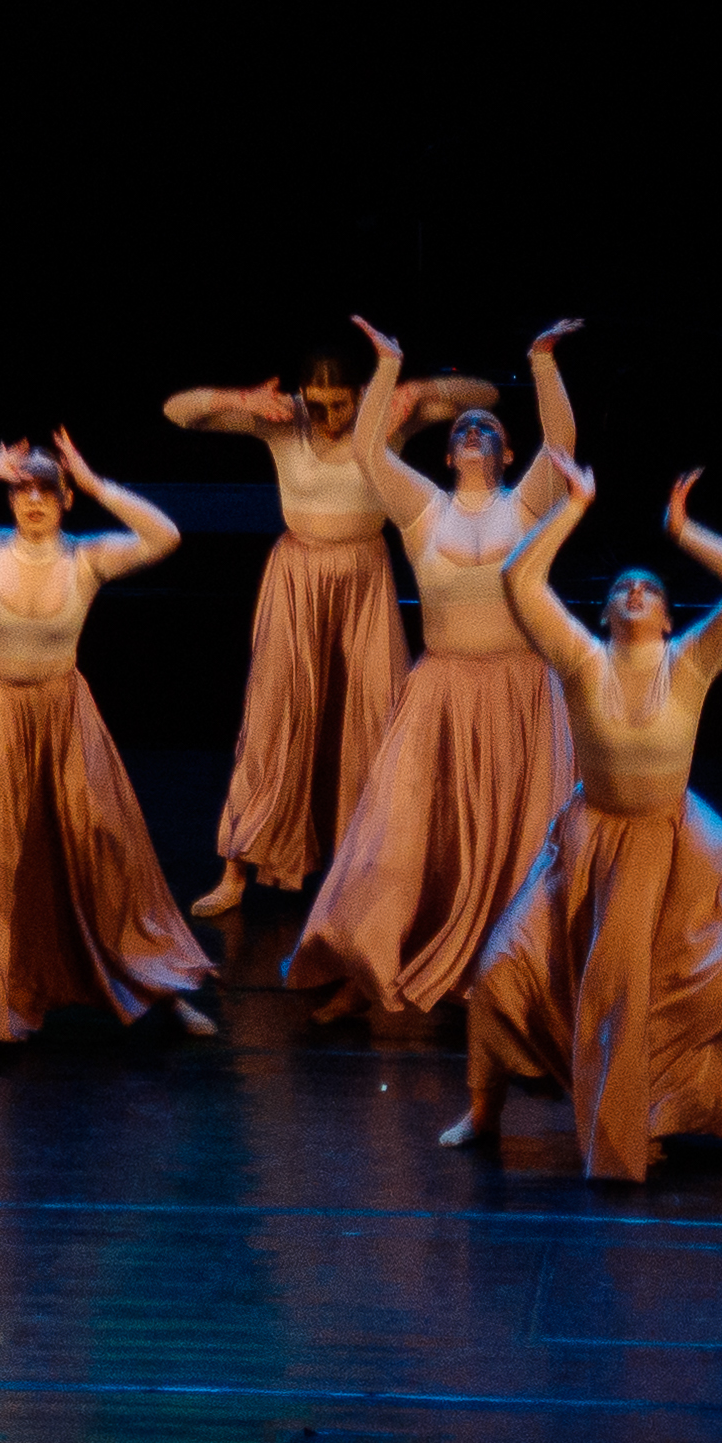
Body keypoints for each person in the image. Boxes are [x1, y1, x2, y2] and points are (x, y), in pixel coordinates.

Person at [445, 452, 722, 1179]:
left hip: (678, 851)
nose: (636, 592)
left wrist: (685, 531)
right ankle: (484, 1110)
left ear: (668, 619)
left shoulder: (690, 663)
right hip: (593, 848)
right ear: (605, 613)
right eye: (622, 589)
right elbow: (518, 579)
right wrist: (571, 507)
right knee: (504, 968)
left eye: (650, 589)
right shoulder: (582, 659)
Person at [286, 318, 586, 1019]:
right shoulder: (422, 511)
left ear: (507, 452)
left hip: (519, 692)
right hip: (441, 691)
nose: (473, 431)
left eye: (487, 429)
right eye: (462, 430)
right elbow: (368, 450)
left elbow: (563, 443)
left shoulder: (529, 506)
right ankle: (367, 967)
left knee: (520, 842)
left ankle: (511, 975)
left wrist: (541, 360)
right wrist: (387, 366)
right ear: (448, 456)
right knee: (400, 834)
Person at [0, 433, 219, 1045]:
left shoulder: (86, 558)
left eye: (47, 490)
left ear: (66, 500)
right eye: (22, 489)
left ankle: (159, 993)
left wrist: (95, 484)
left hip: (65, 717)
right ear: (9, 498)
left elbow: (165, 536)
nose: (34, 500)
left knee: (104, 851)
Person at [163, 338, 495, 914]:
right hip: (297, 579)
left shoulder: (384, 415)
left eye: (338, 404)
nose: (326, 416)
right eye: (315, 404)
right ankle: (238, 867)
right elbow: (178, 411)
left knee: (376, 712)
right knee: (274, 714)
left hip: (364, 580)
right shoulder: (285, 419)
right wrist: (239, 399)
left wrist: (417, 389)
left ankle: (376, 871)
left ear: (360, 393)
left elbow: (484, 395)